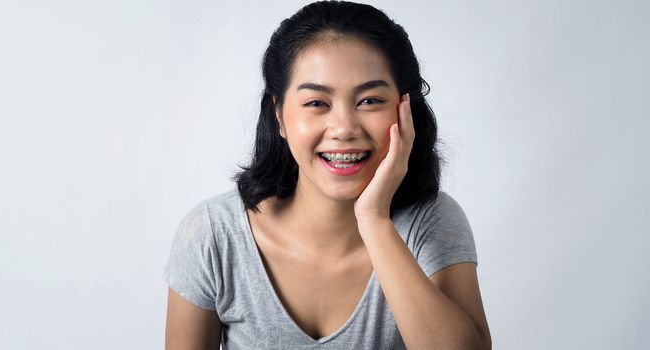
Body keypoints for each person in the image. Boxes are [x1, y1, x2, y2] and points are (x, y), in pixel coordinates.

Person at [164, 1, 491, 348]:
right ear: (279, 116)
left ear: (405, 110)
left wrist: (375, 220)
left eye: (369, 101)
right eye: (317, 103)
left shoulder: (431, 222)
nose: (344, 128)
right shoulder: (213, 235)